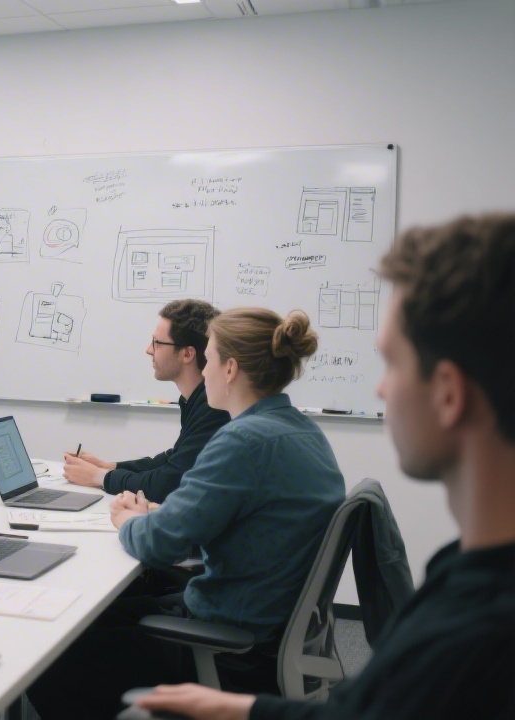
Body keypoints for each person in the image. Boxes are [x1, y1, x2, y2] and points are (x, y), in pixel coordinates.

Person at [131, 214, 515, 720]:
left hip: (244, 635)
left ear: (448, 393)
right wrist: (242, 711)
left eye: (392, 364)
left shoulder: (475, 634)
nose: (380, 390)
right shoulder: (461, 582)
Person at [28, 307, 346, 719]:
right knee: (98, 613)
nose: (205, 371)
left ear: (229, 368)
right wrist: (161, 513)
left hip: (231, 642)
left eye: (209, 359)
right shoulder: (302, 431)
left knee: (54, 648)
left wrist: (129, 521)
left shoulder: (243, 441)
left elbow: (159, 544)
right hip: (267, 623)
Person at [64, 299, 230, 502]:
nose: (149, 350)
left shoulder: (214, 407)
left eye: (157, 343)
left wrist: (99, 477)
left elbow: (166, 484)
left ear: (187, 353)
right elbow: (173, 459)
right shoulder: (195, 399)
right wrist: (110, 467)